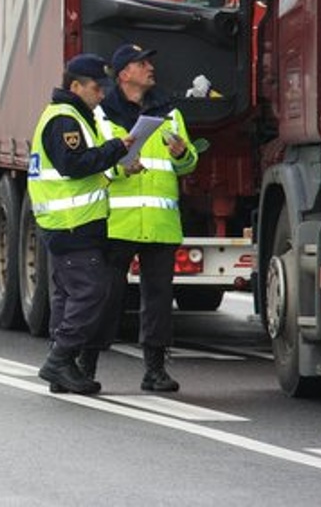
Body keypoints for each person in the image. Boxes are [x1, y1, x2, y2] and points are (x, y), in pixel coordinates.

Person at [29, 54, 135, 395]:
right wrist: (115, 149)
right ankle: (60, 359)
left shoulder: (72, 115)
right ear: (75, 86)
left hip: (70, 223)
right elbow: (74, 165)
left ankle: (64, 366)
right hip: (71, 225)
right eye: (95, 88)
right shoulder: (65, 118)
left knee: (68, 294)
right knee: (92, 292)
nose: (101, 94)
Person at [98, 43, 199, 392]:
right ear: (124, 73)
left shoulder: (168, 113)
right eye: (142, 64)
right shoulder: (102, 115)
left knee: (158, 301)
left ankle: (154, 369)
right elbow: (93, 164)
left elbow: (187, 165)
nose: (150, 69)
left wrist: (183, 153)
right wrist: (120, 166)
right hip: (117, 222)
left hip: (159, 223)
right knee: (106, 297)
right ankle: (86, 362)